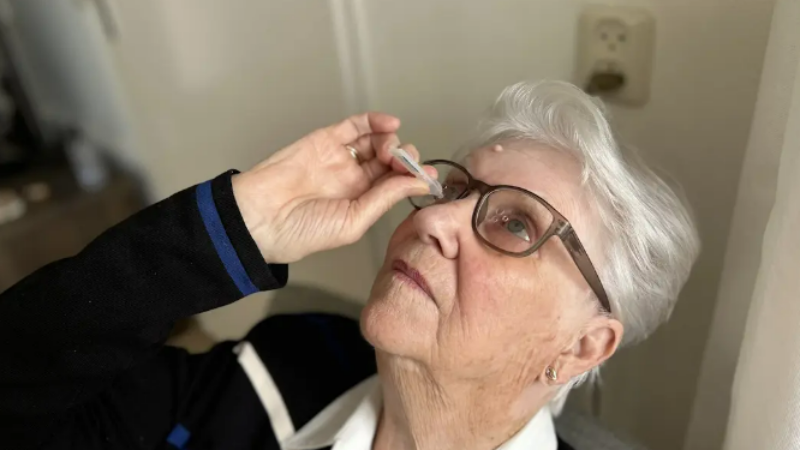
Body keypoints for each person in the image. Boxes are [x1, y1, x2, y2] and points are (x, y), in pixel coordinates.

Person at [0, 80, 700, 450]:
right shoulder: (276, 369)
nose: (432, 218)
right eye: (454, 190)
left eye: (516, 223)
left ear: (582, 346)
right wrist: (241, 224)